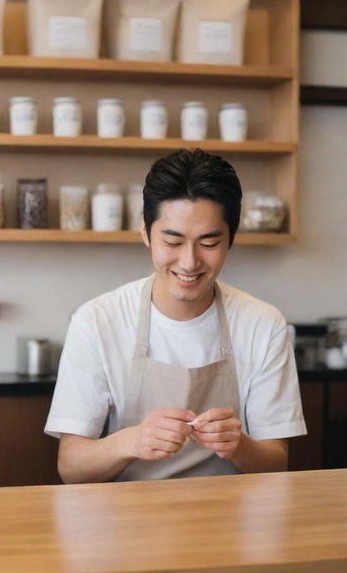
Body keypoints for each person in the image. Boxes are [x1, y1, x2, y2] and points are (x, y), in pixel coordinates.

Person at [45, 149, 306, 483]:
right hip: (127, 522)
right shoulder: (97, 321)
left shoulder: (263, 324)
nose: (189, 262)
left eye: (208, 243)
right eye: (173, 241)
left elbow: (276, 464)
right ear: (146, 232)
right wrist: (132, 440)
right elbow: (71, 467)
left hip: (228, 517)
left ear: (231, 239)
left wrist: (237, 445)